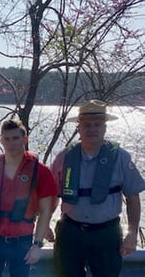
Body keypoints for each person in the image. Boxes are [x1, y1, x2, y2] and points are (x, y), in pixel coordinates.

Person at [50, 99, 145, 277]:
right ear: (79, 128)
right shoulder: (64, 157)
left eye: (97, 125)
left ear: (105, 128)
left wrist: (131, 234)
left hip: (106, 235)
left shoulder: (120, 157)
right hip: (70, 232)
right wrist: (45, 224)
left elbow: (133, 197)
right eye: (86, 125)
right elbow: (52, 194)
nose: (91, 129)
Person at [0, 119, 58, 277]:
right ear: (1, 141)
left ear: (25, 139)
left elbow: (45, 211)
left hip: (22, 241)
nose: (11, 143)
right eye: (6, 139)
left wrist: (37, 245)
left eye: (15, 138)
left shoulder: (40, 171)